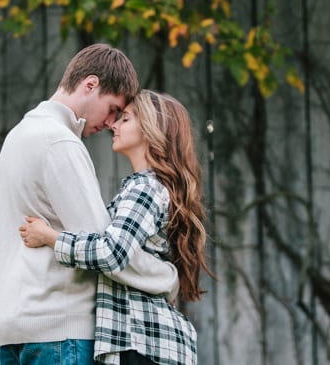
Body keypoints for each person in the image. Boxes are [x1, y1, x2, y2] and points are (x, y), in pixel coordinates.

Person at [0, 44, 179, 365]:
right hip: (59, 327)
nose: (110, 123)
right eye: (113, 109)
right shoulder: (60, 141)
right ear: (90, 85)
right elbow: (109, 251)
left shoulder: (18, 136)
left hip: (12, 327)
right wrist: (166, 276)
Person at [19, 90, 212, 365]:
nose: (113, 125)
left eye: (126, 119)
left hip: (143, 343)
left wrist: (50, 237)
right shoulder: (147, 187)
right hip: (147, 344)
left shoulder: (144, 189)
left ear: (150, 130)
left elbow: (111, 253)